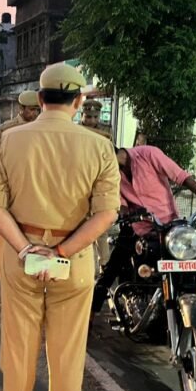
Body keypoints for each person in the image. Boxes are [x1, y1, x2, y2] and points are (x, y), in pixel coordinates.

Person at [0, 63, 121, 391]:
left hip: (21, 256)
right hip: (73, 261)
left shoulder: (7, 140)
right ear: (78, 102)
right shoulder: (99, 146)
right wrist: (61, 251)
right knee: (66, 357)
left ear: (40, 98)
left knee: (17, 352)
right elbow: (106, 214)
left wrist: (29, 249)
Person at [91, 145, 196, 325]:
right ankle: (90, 316)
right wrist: (124, 213)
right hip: (137, 226)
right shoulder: (111, 175)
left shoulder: (149, 154)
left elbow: (184, 178)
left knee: (190, 262)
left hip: (170, 227)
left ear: (109, 155)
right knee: (111, 269)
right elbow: (119, 203)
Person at [0, 90, 41, 289]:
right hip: (10, 186)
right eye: (31, 110)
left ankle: (25, 271)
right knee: (5, 231)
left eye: (37, 110)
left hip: (32, 186)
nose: (34, 114)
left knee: (29, 231)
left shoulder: (40, 129)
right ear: (21, 108)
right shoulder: (7, 129)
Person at [80, 99, 114, 273]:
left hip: (100, 180)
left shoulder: (106, 131)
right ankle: (85, 266)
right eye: (88, 116)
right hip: (80, 181)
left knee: (101, 225)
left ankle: (104, 264)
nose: (92, 120)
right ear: (82, 115)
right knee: (81, 225)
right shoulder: (75, 131)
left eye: (95, 117)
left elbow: (111, 156)